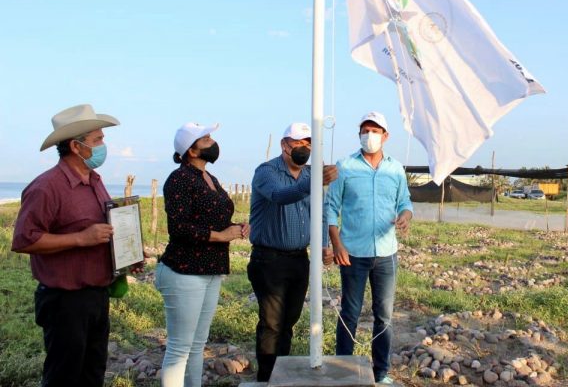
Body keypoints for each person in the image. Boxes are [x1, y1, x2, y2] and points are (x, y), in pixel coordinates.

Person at [11, 104, 120, 387]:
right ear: (76, 145)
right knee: (64, 377)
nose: (103, 145)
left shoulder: (95, 181)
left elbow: (103, 231)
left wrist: (126, 253)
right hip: (64, 302)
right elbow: (25, 239)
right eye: (97, 140)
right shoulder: (47, 187)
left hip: (97, 295)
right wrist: (79, 239)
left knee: (92, 373)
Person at [156, 122, 249, 387]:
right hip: (184, 271)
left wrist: (237, 227)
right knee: (179, 347)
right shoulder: (179, 179)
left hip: (210, 269)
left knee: (197, 344)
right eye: (205, 139)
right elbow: (180, 227)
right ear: (192, 151)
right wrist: (222, 236)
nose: (212, 142)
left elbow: (215, 217)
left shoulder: (210, 178)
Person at [325, 111, 414, 384]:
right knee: (350, 312)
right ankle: (343, 368)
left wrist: (405, 217)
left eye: (375, 131)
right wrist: (336, 244)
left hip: (386, 253)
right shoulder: (345, 167)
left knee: (384, 314)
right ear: (359, 135)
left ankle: (381, 372)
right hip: (353, 253)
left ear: (385, 136)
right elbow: (331, 209)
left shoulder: (395, 168)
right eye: (365, 130)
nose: (370, 136)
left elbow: (405, 203)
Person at [247, 122, 338, 381]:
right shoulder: (267, 172)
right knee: (272, 323)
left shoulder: (311, 175)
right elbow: (280, 195)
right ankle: (266, 378)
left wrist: (323, 245)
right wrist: (314, 182)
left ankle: (281, 374)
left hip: (299, 259)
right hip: (269, 260)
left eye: (309, 143)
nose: (304, 148)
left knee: (289, 322)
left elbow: (318, 213)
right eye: (298, 143)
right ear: (284, 145)